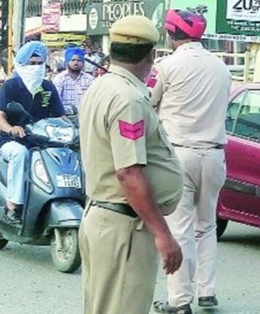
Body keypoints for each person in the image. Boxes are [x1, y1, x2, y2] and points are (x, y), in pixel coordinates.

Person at [79, 15, 184, 314]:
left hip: (106, 218)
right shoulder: (128, 99)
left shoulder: (102, 87)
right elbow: (129, 172)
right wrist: (163, 233)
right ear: (151, 55)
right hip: (124, 227)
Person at [150, 10, 232, 314]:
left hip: (179, 154)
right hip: (214, 155)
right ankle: (207, 292)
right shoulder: (222, 68)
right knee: (206, 225)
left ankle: (179, 301)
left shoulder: (167, 66)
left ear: (173, 36)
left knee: (180, 228)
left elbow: (150, 102)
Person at [0, 41, 66, 224]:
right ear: (22, 64)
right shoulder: (11, 86)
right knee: (20, 153)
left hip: (43, 142)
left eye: (39, 63)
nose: (36, 67)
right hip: (13, 142)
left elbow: (61, 116)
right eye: (31, 63)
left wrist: (76, 128)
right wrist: (11, 129)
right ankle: (12, 206)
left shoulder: (48, 88)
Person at [53, 47, 95, 113]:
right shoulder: (59, 79)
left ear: (83, 63)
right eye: (73, 60)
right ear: (67, 62)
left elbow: (93, 99)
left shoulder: (89, 79)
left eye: (79, 60)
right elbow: (56, 101)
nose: (76, 62)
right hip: (65, 117)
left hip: (85, 115)